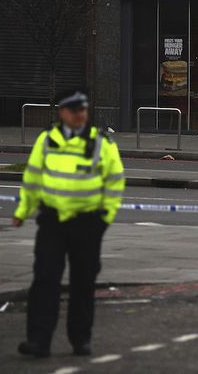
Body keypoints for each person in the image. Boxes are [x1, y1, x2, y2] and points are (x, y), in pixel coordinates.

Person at [13, 90, 125, 358]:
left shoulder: (101, 143)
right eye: (75, 110)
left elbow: (115, 181)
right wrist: (22, 211)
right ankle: (39, 341)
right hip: (52, 222)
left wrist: (104, 220)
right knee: (45, 280)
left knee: (83, 283)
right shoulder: (47, 140)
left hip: (87, 224)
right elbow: (32, 178)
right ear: (62, 112)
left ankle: (80, 340)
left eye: (83, 110)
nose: (80, 115)